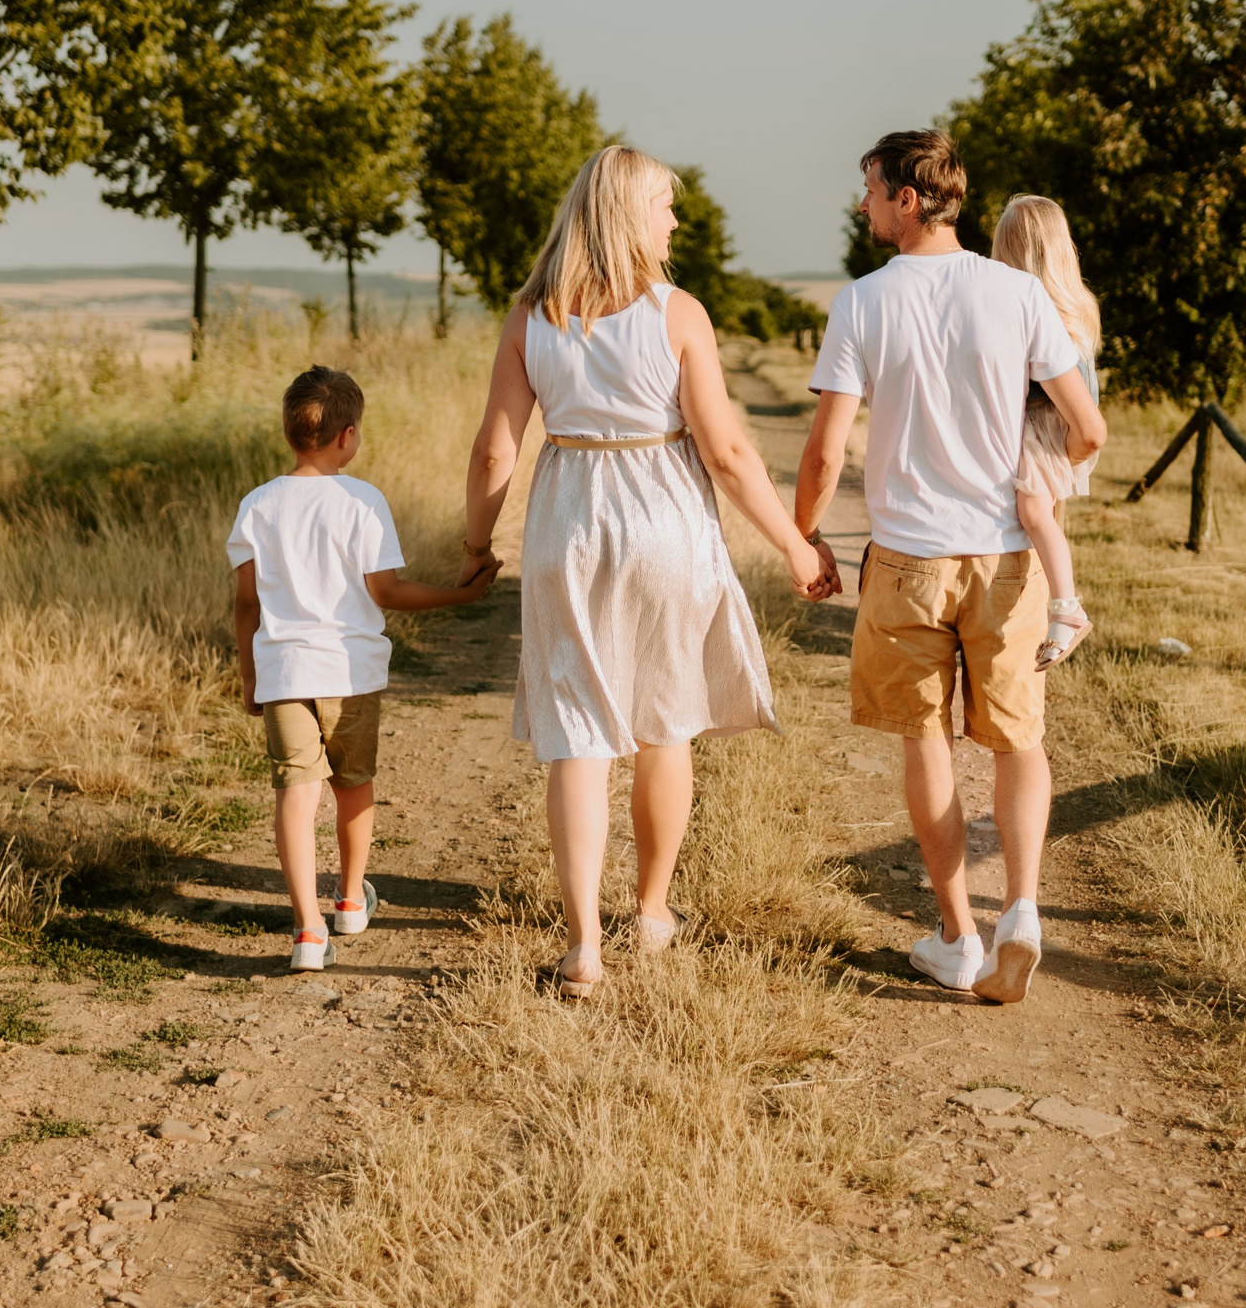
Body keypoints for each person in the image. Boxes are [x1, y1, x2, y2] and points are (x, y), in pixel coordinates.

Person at [461, 145, 831, 1001]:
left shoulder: (531, 316)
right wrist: (794, 544)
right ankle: (653, 911)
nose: (674, 221)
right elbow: (727, 451)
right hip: (664, 520)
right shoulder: (677, 312)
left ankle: (583, 946)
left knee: (578, 735)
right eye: (666, 206)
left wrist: (478, 544)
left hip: (567, 526)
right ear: (631, 215)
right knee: (665, 723)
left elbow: (493, 452)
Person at [795, 131, 1105, 1004]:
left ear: (907, 198)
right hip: (1006, 558)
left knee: (926, 740)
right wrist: (1040, 486)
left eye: (869, 188)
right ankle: (1022, 910)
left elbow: (825, 451)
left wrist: (807, 535)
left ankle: (958, 937)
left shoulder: (861, 302)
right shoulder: (1018, 293)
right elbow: (1087, 427)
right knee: (1019, 739)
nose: (861, 202)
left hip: (907, 561)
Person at [230, 366, 499, 973]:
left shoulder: (257, 505)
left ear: (289, 431)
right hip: (350, 676)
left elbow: (247, 604)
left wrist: (250, 675)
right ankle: (351, 900)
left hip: (285, 674)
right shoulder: (363, 500)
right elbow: (388, 591)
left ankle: (307, 931)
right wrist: (461, 596)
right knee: (353, 786)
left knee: (294, 796)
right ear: (348, 436)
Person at [990, 195, 1102, 669]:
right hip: (1050, 423)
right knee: (1041, 518)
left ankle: (1066, 607)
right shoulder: (1074, 305)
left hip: (1044, 424)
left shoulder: (1043, 315)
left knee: (1035, 513)